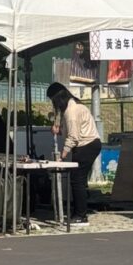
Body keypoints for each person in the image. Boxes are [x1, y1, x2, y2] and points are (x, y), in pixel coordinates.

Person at [51, 87, 102, 225]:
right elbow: (71, 131)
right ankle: (78, 212)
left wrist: (62, 155)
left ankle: (81, 215)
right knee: (78, 179)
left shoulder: (71, 112)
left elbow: (73, 137)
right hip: (89, 143)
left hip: (86, 145)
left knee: (77, 180)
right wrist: (58, 129)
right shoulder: (75, 106)